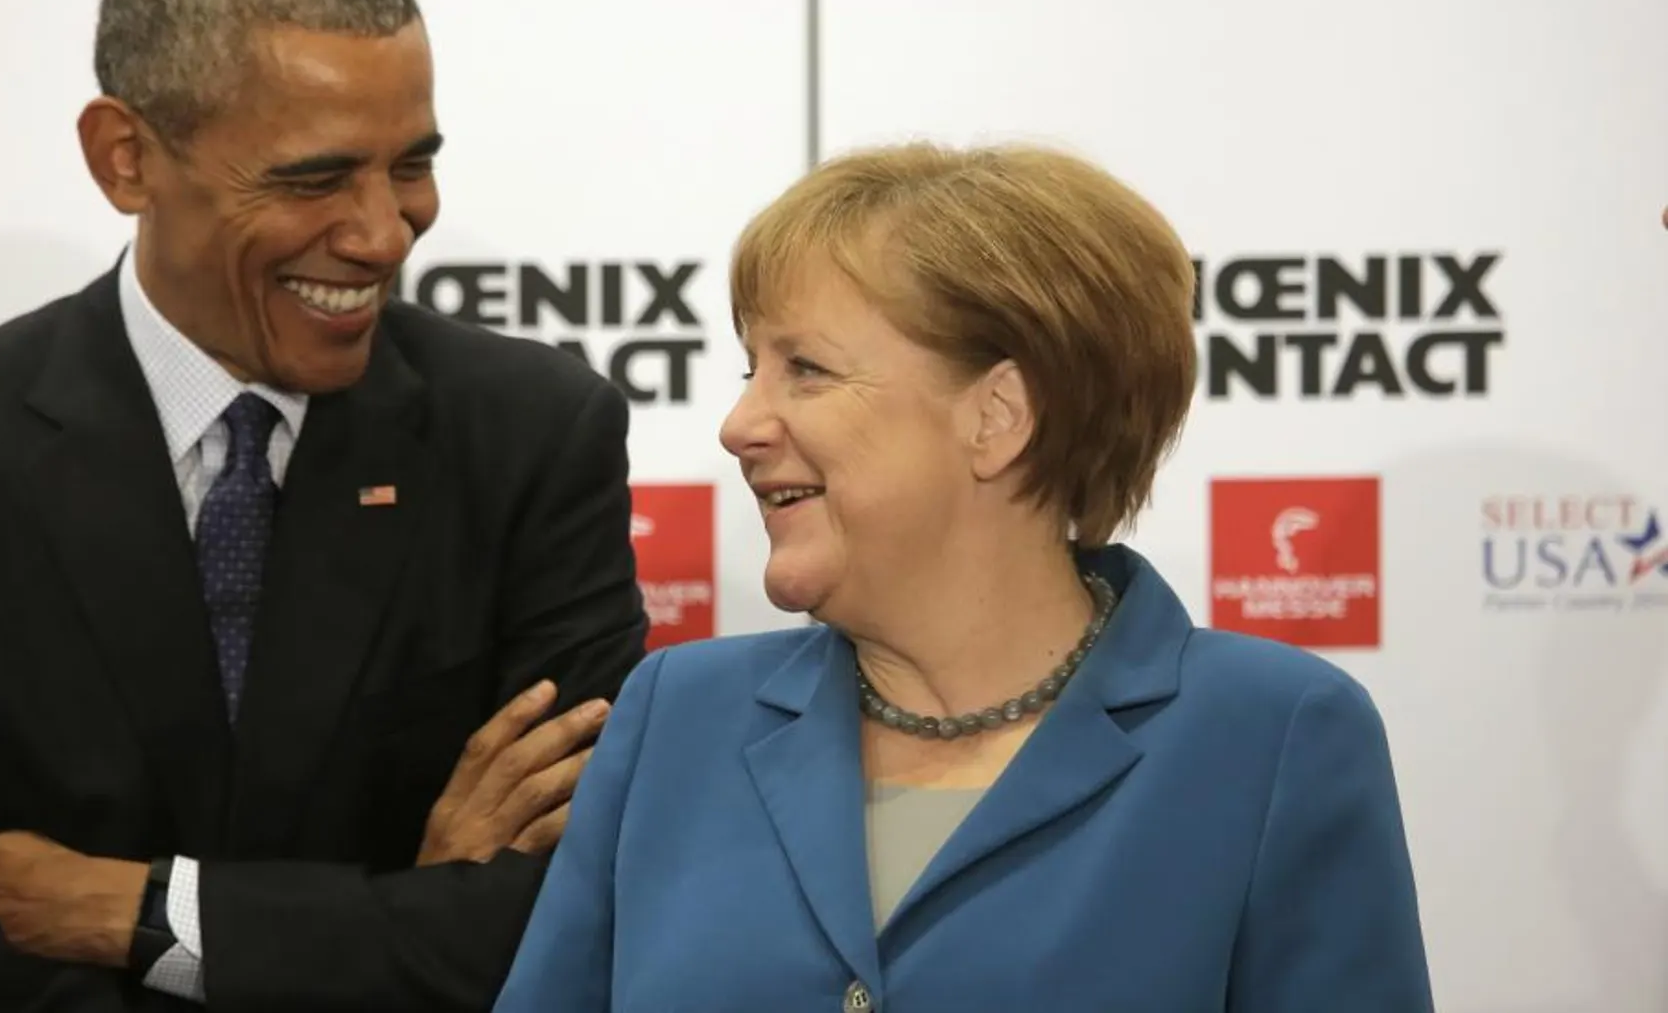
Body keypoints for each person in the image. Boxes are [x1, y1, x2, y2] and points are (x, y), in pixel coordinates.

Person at [0, 0, 647, 1010]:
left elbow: (575, 914)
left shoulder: (533, 436)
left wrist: (137, 913)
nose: (383, 232)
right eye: (313, 177)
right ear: (126, 157)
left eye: (409, 164)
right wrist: (387, 921)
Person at [493, 142, 1436, 1011]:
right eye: (750, 369)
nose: (741, 424)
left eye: (806, 370)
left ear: (999, 415)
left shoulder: (1271, 737)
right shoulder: (675, 717)